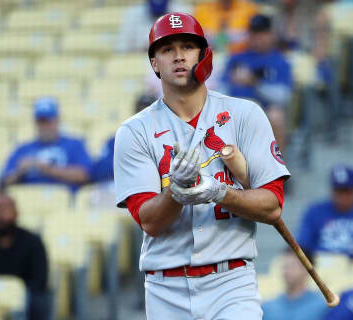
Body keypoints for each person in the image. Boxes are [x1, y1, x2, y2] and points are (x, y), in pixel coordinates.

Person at [114, 12, 290, 319]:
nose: (179, 56)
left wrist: (219, 192)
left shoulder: (245, 115)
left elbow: (272, 206)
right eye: (167, 49)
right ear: (154, 63)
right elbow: (150, 222)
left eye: (188, 46)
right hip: (165, 288)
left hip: (231, 282)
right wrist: (176, 193)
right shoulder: (134, 131)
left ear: (203, 55)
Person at [0, 193, 49, 320]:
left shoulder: (33, 242)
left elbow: (39, 281)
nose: (0, 215)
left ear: (16, 213)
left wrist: (11, 293)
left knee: (38, 300)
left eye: (5, 209)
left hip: (22, 300)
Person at [221, 14, 292, 151]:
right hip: (235, 110)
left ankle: (277, 168)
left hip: (263, 111)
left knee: (276, 116)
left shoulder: (279, 61)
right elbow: (221, 88)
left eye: (262, 33)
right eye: (254, 33)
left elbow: (283, 97)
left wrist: (255, 83)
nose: (257, 38)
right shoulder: (236, 57)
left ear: (271, 35)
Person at [0, 97, 91, 192]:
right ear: (35, 122)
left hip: (63, 202)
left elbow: (85, 175)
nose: (45, 126)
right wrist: (19, 172)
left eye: (48, 121)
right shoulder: (22, 149)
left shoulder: (74, 145)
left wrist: (48, 169)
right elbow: (4, 182)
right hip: (28, 201)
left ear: (57, 120)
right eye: (41, 121)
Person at [298, 165, 353, 258]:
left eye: (347, 191)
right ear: (331, 191)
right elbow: (303, 245)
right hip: (322, 266)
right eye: (338, 191)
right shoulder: (315, 211)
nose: (342, 197)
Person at [262, 249, 326, 320]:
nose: (286, 271)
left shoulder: (322, 308)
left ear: (307, 270)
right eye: (285, 266)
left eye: (293, 266)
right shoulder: (267, 309)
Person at [117, 0, 192, 53]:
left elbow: (189, 46)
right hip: (141, 63)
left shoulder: (183, 11)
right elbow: (122, 49)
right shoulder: (132, 13)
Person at [194, 0, 259, 53]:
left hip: (241, 56)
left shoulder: (250, 10)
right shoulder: (201, 10)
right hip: (207, 57)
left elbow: (258, 38)